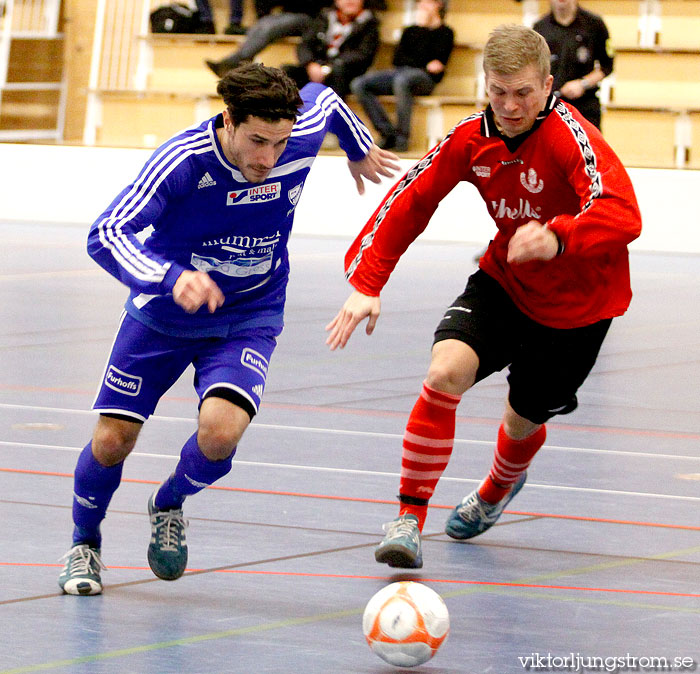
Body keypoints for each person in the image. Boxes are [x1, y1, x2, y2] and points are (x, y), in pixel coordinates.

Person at [57, 63, 399, 596]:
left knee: (220, 435)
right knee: (112, 440)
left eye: (280, 143)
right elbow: (107, 233)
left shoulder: (298, 135)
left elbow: (327, 100)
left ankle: (168, 503)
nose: (269, 157)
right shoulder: (184, 160)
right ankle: (84, 543)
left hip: (249, 313)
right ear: (228, 121)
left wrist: (357, 148)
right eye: (258, 141)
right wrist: (171, 278)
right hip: (163, 316)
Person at [326, 24, 641, 569]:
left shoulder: (573, 136)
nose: (510, 106)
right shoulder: (471, 136)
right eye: (498, 92)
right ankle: (407, 519)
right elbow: (411, 200)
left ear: (547, 86)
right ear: (484, 85)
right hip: (505, 283)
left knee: (523, 419)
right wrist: (367, 282)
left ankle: (498, 488)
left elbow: (622, 211)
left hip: (579, 310)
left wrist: (559, 235)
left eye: (523, 92)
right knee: (443, 372)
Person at [350, 0, 454, 152]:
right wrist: (424, 58)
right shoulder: (410, 30)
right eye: (420, 4)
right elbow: (398, 59)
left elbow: (438, 64)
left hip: (424, 79)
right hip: (402, 72)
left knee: (402, 81)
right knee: (359, 84)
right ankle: (387, 132)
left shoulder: (445, 32)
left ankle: (402, 139)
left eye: (426, 4)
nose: (422, 7)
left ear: (438, 5)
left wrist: (424, 31)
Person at [534, 0, 613, 129]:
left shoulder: (595, 24)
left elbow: (607, 66)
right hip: (550, 107)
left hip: (585, 108)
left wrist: (583, 84)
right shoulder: (539, 28)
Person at [282, 0, 380, 100]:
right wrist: (310, 64)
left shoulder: (370, 24)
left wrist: (328, 68)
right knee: (286, 72)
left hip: (345, 73)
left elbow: (363, 55)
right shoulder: (324, 17)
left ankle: (333, 113)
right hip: (316, 67)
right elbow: (305, 45)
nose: (350, 1)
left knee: (338, 72)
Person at [205, 1, 332, 77]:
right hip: (287, 13)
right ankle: (239, 61)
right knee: (261, 24)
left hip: (312, 17)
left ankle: (236, 61)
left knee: (269, 27)